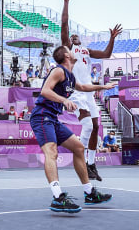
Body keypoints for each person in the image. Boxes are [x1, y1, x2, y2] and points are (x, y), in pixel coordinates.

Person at [29, 45, 112, 212]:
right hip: (42, 116)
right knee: (52, 152)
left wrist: (102, 87)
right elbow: (45, 91)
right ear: (67, 55)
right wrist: (64, 100)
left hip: (53, 118)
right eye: (70, 50)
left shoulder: (70, 77)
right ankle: (58, 197)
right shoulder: (58, 71)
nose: (74, 51)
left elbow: (83, 88)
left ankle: (89, 193)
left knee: (79, 148)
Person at [60, 0, 122, 183]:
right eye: (71, 36)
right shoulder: (68, 49)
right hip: (76, 91)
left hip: (89, 92)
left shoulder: (86, 50)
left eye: (75, 36)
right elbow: (64, 25)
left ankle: (91, 163)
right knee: (87, 125)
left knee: (96, 126)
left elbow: (107, 54)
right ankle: (81, 159)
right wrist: (66, 2)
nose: (73, 36)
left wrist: (112, 38)